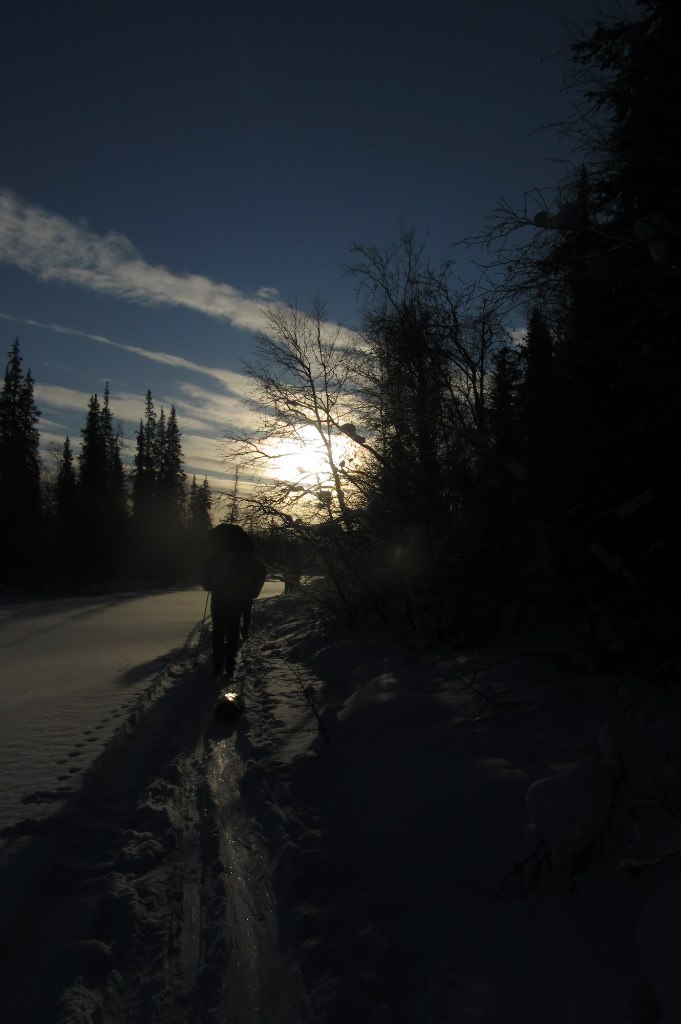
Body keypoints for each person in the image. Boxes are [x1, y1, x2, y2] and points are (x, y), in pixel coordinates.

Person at [201, 523, 267, 678]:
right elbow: (261, 570)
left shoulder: (217, 554)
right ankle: (230, 664)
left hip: (219, 598)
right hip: (237, 598)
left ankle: (218, 664)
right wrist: (251, 591)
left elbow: (207, 577)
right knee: (232, 630)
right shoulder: (245, 551)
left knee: (219, 631)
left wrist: (208, 584)